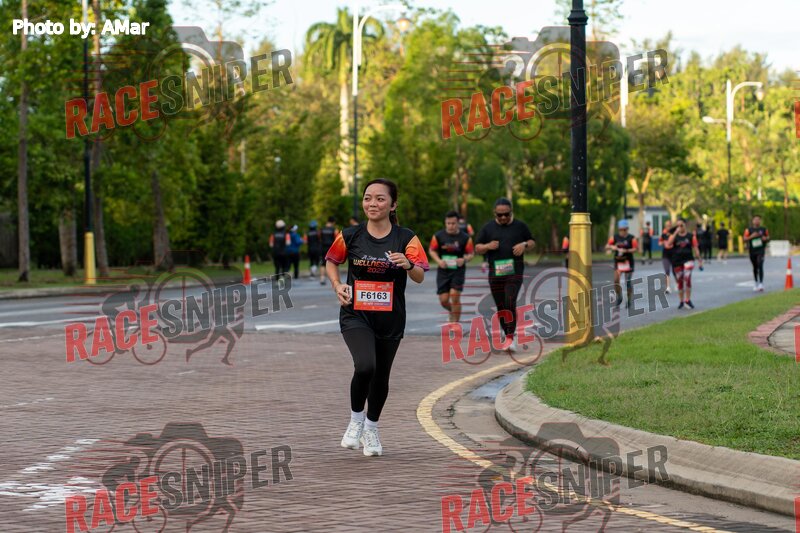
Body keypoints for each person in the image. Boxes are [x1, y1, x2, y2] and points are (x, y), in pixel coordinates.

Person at [325, 178, 429, 456]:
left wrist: (408, 264)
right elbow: (332, 260)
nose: (372, 203)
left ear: (393, 205)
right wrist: (337, 285)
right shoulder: (350, 235)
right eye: (368, 198)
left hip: (390, 319)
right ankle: (355, 420)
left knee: (381, 375)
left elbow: (420, 275)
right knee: (365, 366)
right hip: (356, 315)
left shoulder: (406, 238)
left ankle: (371, 428)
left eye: (380, 199)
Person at [474, 198, 535, 352]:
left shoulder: (520, 226)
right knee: (501, 306)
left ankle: (510, 337)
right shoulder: (488, 228)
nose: (503, 217)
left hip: (515, 271)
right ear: (494, 213)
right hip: (495, 272)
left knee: (509, 301)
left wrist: (524, 244)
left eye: (506, 214)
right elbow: (477, 248)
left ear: (511, 212)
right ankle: (507, 332)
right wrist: (488, 246)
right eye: (499, 215)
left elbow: (532, 242)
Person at [429, 211, 474, 324]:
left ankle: (455, 324)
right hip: (443, 271)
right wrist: (439, 261)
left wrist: (464, 259)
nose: (450, 226)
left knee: (454, 296)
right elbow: (432, 250)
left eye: (453, 223)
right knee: (444, 300)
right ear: (445, 223)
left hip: (458, 271)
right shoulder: (438, 236)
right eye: (448, 223)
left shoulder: (465, 238)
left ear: (458, 223)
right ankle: (452, 311)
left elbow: (471, 254)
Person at [665, 218, 702, 309]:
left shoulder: (691, 236)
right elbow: (668, 243)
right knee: (680, 281)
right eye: (678, 225)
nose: (680, 227)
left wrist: (700, 261)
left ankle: (688, 300)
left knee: (687, 278)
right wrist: (675, 233)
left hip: (688, 260)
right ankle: (681, 301)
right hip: (677, 261)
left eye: (681, 225)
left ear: (685, 225)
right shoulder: (674, 236)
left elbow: (696, 249)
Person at [606, 219, 638, 308]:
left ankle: (629, 300)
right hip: (618, 262)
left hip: (628, 262)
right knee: (616, 280)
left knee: (628, 282)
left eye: (624, 229)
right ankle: (619, 296)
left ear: (627, 229)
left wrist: (626, 250)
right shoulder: (615, 237)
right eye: (621, 229)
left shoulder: (632, 238)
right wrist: (612, 247)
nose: (623, 231)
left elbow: (635, 249)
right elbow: (607, 246)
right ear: (619, 229)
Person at [744, 215, 770, 292]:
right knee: (755, 267)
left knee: (760, 264)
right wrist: (751, 236)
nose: (757, 221)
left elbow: (768, 237)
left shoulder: (764, 229)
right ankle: (756, 282)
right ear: (753, 221)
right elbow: (744, 238)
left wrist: (765, 238)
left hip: (761, 250)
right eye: (755, 220)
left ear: (760, 221)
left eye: (758, 220)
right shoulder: (749, 230)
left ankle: (761, 283)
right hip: (752, 250)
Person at [319, 217, 339, 285]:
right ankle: (334, 280)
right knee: (334, 263)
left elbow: (319, 238)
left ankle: (322, 279)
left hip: (323, 248)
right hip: (331, 248)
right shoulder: (334, 230)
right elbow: (337, 239)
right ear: (333, 222)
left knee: (322, 263)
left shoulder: (322, 229)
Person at [658, 220, 673, 294]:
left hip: (674, 254)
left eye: (669, 225)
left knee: (675, 271)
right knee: (667, 270)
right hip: (666, 254)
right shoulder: (663, 234)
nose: (668, 227)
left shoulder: (674, 234)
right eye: (667, 225)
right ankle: (668, 287)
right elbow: (659, 242)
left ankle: (678, 283)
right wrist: (663, 242)